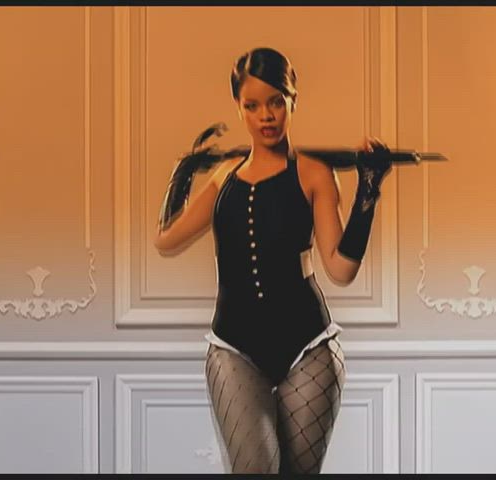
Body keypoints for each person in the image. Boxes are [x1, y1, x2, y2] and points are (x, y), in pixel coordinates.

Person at [154, 47, 391, 474]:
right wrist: (183, 175)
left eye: (276, 102)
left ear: (293, 100)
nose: (266, 115)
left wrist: (368, 193)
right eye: (252, 105)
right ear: (238, 106)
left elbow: (340, 268)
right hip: (234, 347)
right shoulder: (224, 177)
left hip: (309, 348)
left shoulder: (314, 173)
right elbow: (167, 240)